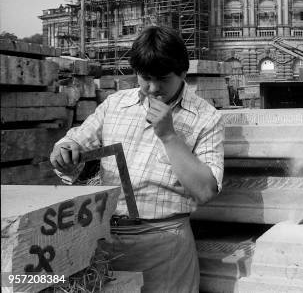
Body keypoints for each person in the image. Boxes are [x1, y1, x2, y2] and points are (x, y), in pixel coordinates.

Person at [50, 26, 224, 292]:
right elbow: (77, 139)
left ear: (183, 73)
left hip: (165, 243)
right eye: (145, 78)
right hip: (103, 238)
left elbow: (205, 190)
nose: (153, 89)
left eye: (163, 79)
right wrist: (65, 151)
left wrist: (169, 136)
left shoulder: (206, 117)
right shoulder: (116, 104)